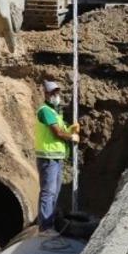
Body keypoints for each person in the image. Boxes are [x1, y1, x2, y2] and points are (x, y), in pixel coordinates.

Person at [34, 80, 79, 231]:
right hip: (48, 158)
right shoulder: (45, 111)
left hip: (57, 158)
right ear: (46, 94)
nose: (56, 95)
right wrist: (71, 136)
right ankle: (45, 227)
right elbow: (57, 133)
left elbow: (62, 130)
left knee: (55, 192)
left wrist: (71, 129)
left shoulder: (55, 112)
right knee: (48, 192)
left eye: (57, 92)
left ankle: (50, 222)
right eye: (53, 93)